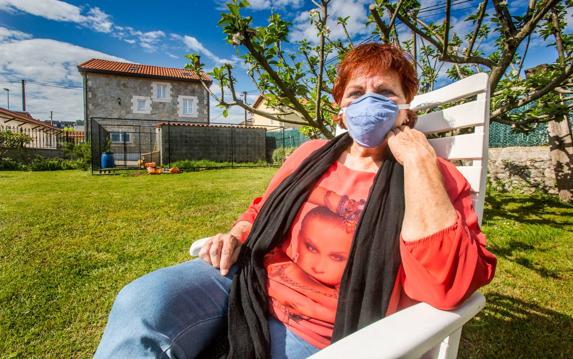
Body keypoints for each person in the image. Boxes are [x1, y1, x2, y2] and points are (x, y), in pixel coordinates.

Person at [94, 43, 496, 359]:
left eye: (385, 92)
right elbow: (261, 210)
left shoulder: (431, 177)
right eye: (356, 93)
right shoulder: (309, 154)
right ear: (340, 109)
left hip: (322, 329)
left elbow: (447, 286)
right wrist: (236, 233)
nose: (368, 103)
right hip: (247, 279)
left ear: (405, 107)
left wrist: (420, 161)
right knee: (141, 302)